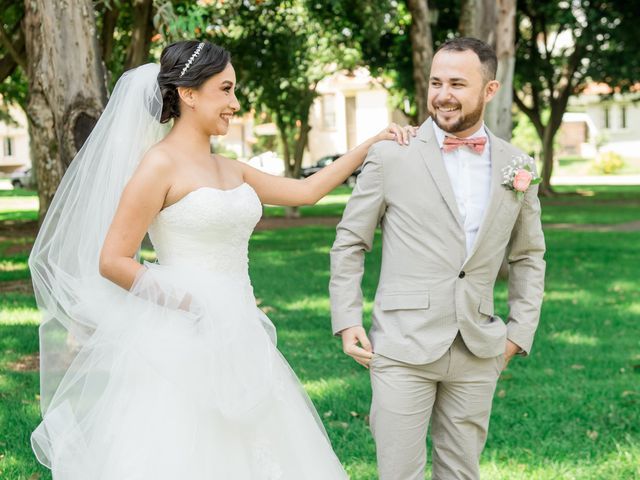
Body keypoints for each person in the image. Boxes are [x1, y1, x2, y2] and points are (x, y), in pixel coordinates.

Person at [29, 40, 416, 479]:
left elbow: (307, 192)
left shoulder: (232, 168)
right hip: (182, 338)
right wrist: (197, 305)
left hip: (242, 334)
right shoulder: (158, 166)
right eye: (226, 90)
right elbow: (113, 260)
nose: (235, 103)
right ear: (189, 94)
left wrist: (372, 142)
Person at [330, 37, 546, 480]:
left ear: (489, 90)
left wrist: (518, 332)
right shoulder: (393, 153)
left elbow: (528, 255)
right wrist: (347, 319)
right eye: (435, 82)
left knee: (462, 472)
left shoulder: (517, 164)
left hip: (479, 345)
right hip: (402, 345)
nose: (443, 94)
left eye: (457, 84)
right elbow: (351, 240)